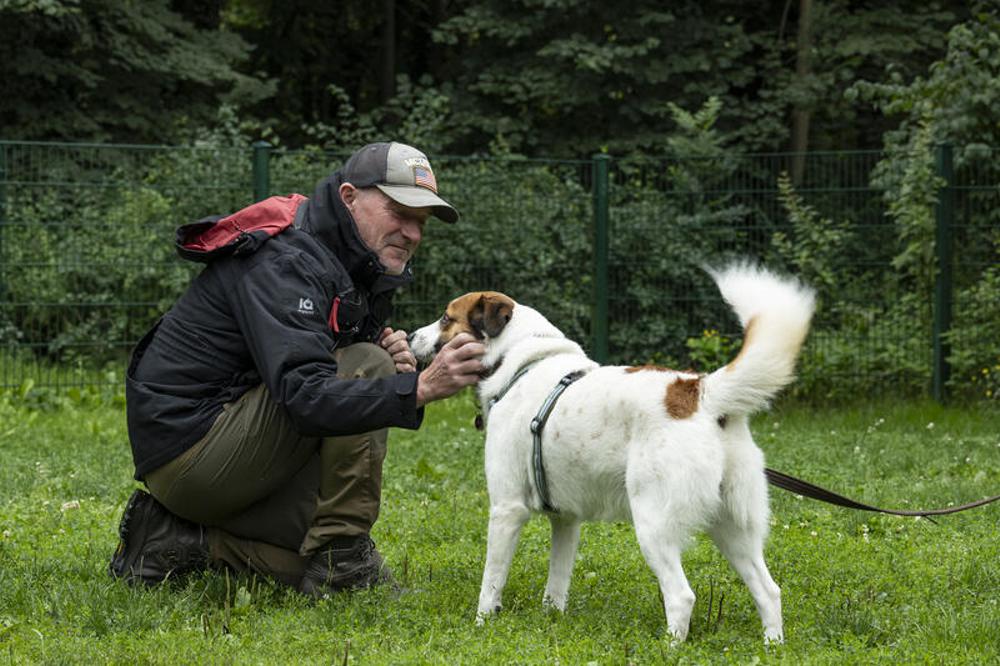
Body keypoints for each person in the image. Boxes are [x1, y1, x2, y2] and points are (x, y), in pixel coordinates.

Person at [110, 141, 485, 596]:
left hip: (221, 450)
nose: (412, 233)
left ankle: (179, 540)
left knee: (309, 555)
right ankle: (345, 562)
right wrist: (417, 386)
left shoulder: (348, 258)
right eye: (399, 212)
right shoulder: (287, 260)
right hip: (191, 449)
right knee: (368, 366)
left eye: (421, 222)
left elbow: (315, 356)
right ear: (350, 197)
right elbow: (306, 395)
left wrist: (376, 348)